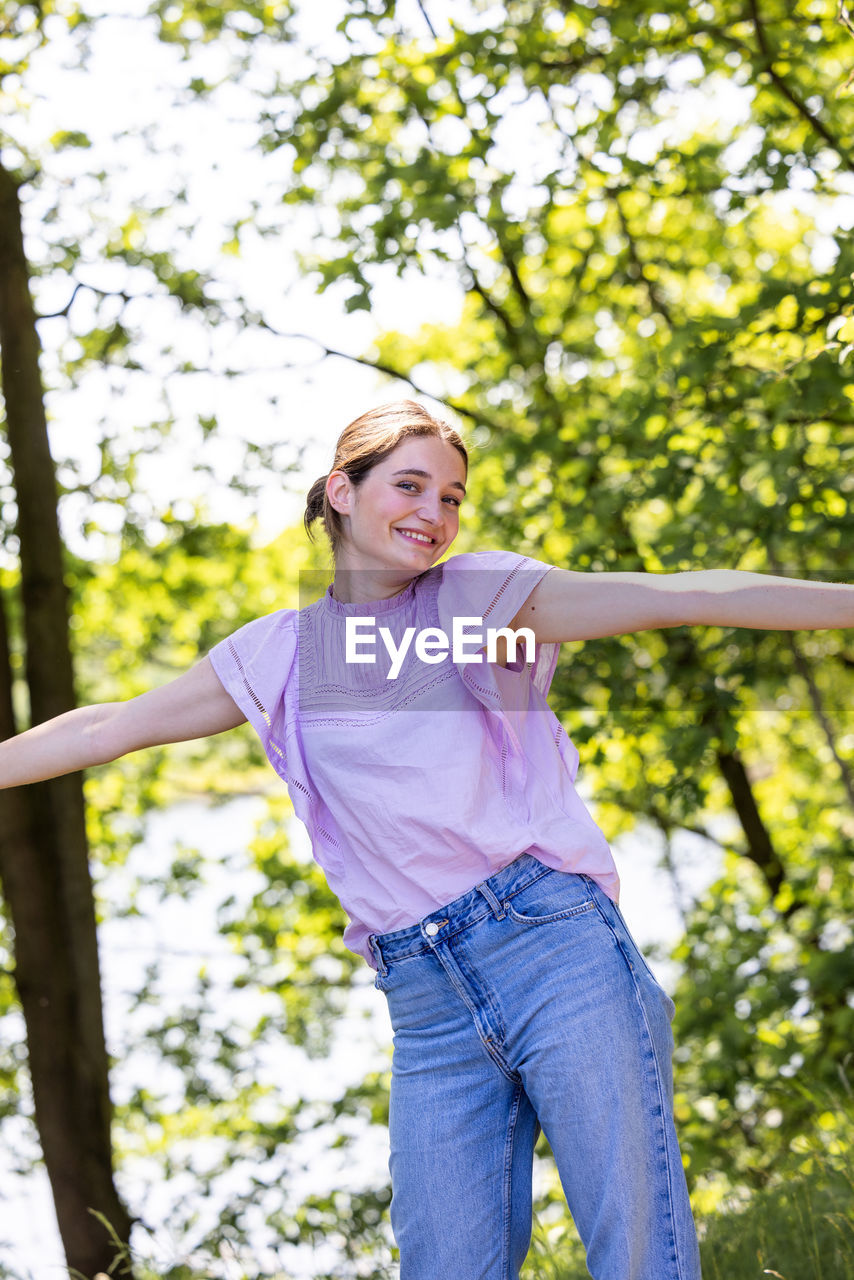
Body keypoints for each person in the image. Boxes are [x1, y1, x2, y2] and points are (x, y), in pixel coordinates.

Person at [2, 399, 852, 1280]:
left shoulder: (480, 597)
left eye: (452, 497)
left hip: (553, 947)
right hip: (425, 999)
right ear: (342, 491)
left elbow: (677, 596)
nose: (435, 515)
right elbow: (107, 726)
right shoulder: (280, 654)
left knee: (637, 1255)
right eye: (410, 486)